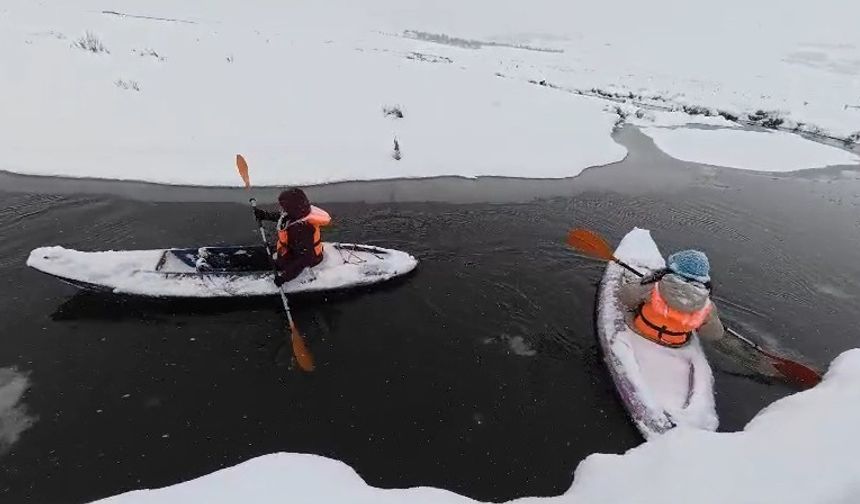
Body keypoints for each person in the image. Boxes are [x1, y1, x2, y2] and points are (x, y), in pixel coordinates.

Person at [619, 249, 724, 347]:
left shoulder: (654, 286)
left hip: (640, 330)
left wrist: (640, 285)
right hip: (674, 343)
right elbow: (714, 335)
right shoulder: (707, 305)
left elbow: (624, 296)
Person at [253, 188, 331, 287]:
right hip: (294, 250)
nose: (282, 209)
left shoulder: (303, 229)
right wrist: (264, 215)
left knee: (271, 262)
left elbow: (305, 259)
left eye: (284, 207)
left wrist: (284, 278)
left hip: (308, 259)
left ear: (292, 208)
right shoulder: (299, 212)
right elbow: (284, 218)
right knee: (266, 258)